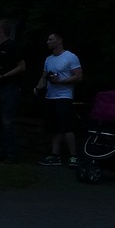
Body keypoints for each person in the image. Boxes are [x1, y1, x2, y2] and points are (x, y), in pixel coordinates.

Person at [36, 32, 83, 167]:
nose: (48, 42)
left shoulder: (70, 57)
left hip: (64, 97)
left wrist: (61, 81)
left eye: (50, 39)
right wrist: (39, 87)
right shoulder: (48, 59)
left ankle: (73, 156)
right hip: (50, 97)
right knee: (54, 127)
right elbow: (44, 76)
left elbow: (78, 76)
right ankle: (55, 155)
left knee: (66, 126)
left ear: (59, 41)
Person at [0, 18, 24, 163]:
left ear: (1, 30)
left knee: (7, 121)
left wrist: (3, 76)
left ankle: (11, 154)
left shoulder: (12, 46)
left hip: (9, 88)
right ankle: (1, 152)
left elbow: (21, 66)